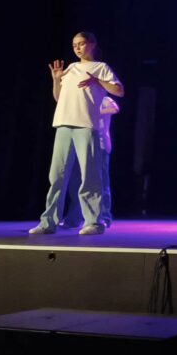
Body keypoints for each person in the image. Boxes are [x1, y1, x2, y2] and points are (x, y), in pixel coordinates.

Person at [30, 32, 123, 236]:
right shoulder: (71, 68)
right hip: (63, 124)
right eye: (74, 45)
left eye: (81, 44)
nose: (77, 48)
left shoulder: (101, 67)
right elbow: (59, 98)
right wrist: (56, 80)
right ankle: (48, 222)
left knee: (90, 175)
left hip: (86, 126)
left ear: (92, 44)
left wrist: (97, 81)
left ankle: (94, 222)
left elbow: (119, 91)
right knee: (57, 176)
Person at [60, 96, 120, 229]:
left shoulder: (104, 99)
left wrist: (92, 111)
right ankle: (74, 218)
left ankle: (104, 217)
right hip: (81, 144)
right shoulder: (82, 99)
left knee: (101, 182)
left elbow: (115, 108)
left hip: (100, 145)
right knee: (76, 183)